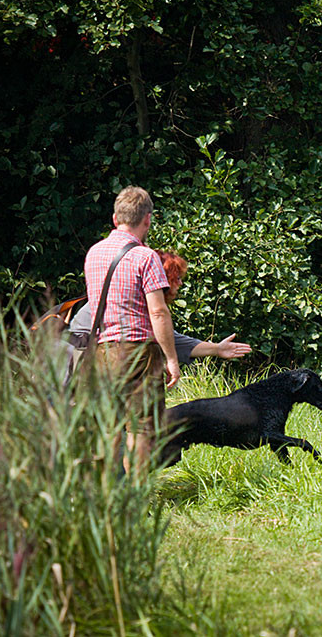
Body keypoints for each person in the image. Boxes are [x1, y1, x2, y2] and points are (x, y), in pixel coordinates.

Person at [83, 185, 179, 476]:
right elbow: (158, 311)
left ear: (115, 218)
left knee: (109, 426)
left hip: (102, 352)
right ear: (147, 219)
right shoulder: (146, 257)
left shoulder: (94, 253)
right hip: (139, 353)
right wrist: (172, 359)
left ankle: (108, 495)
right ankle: (136, 498)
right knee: (141, 428)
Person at [67, 250, 251, 367]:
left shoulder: (137, 297)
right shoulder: (136, 302)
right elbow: (169, 338)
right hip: (75, 361)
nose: (180, 284)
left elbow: (171, 338)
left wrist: (217, 349)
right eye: (176, 278)